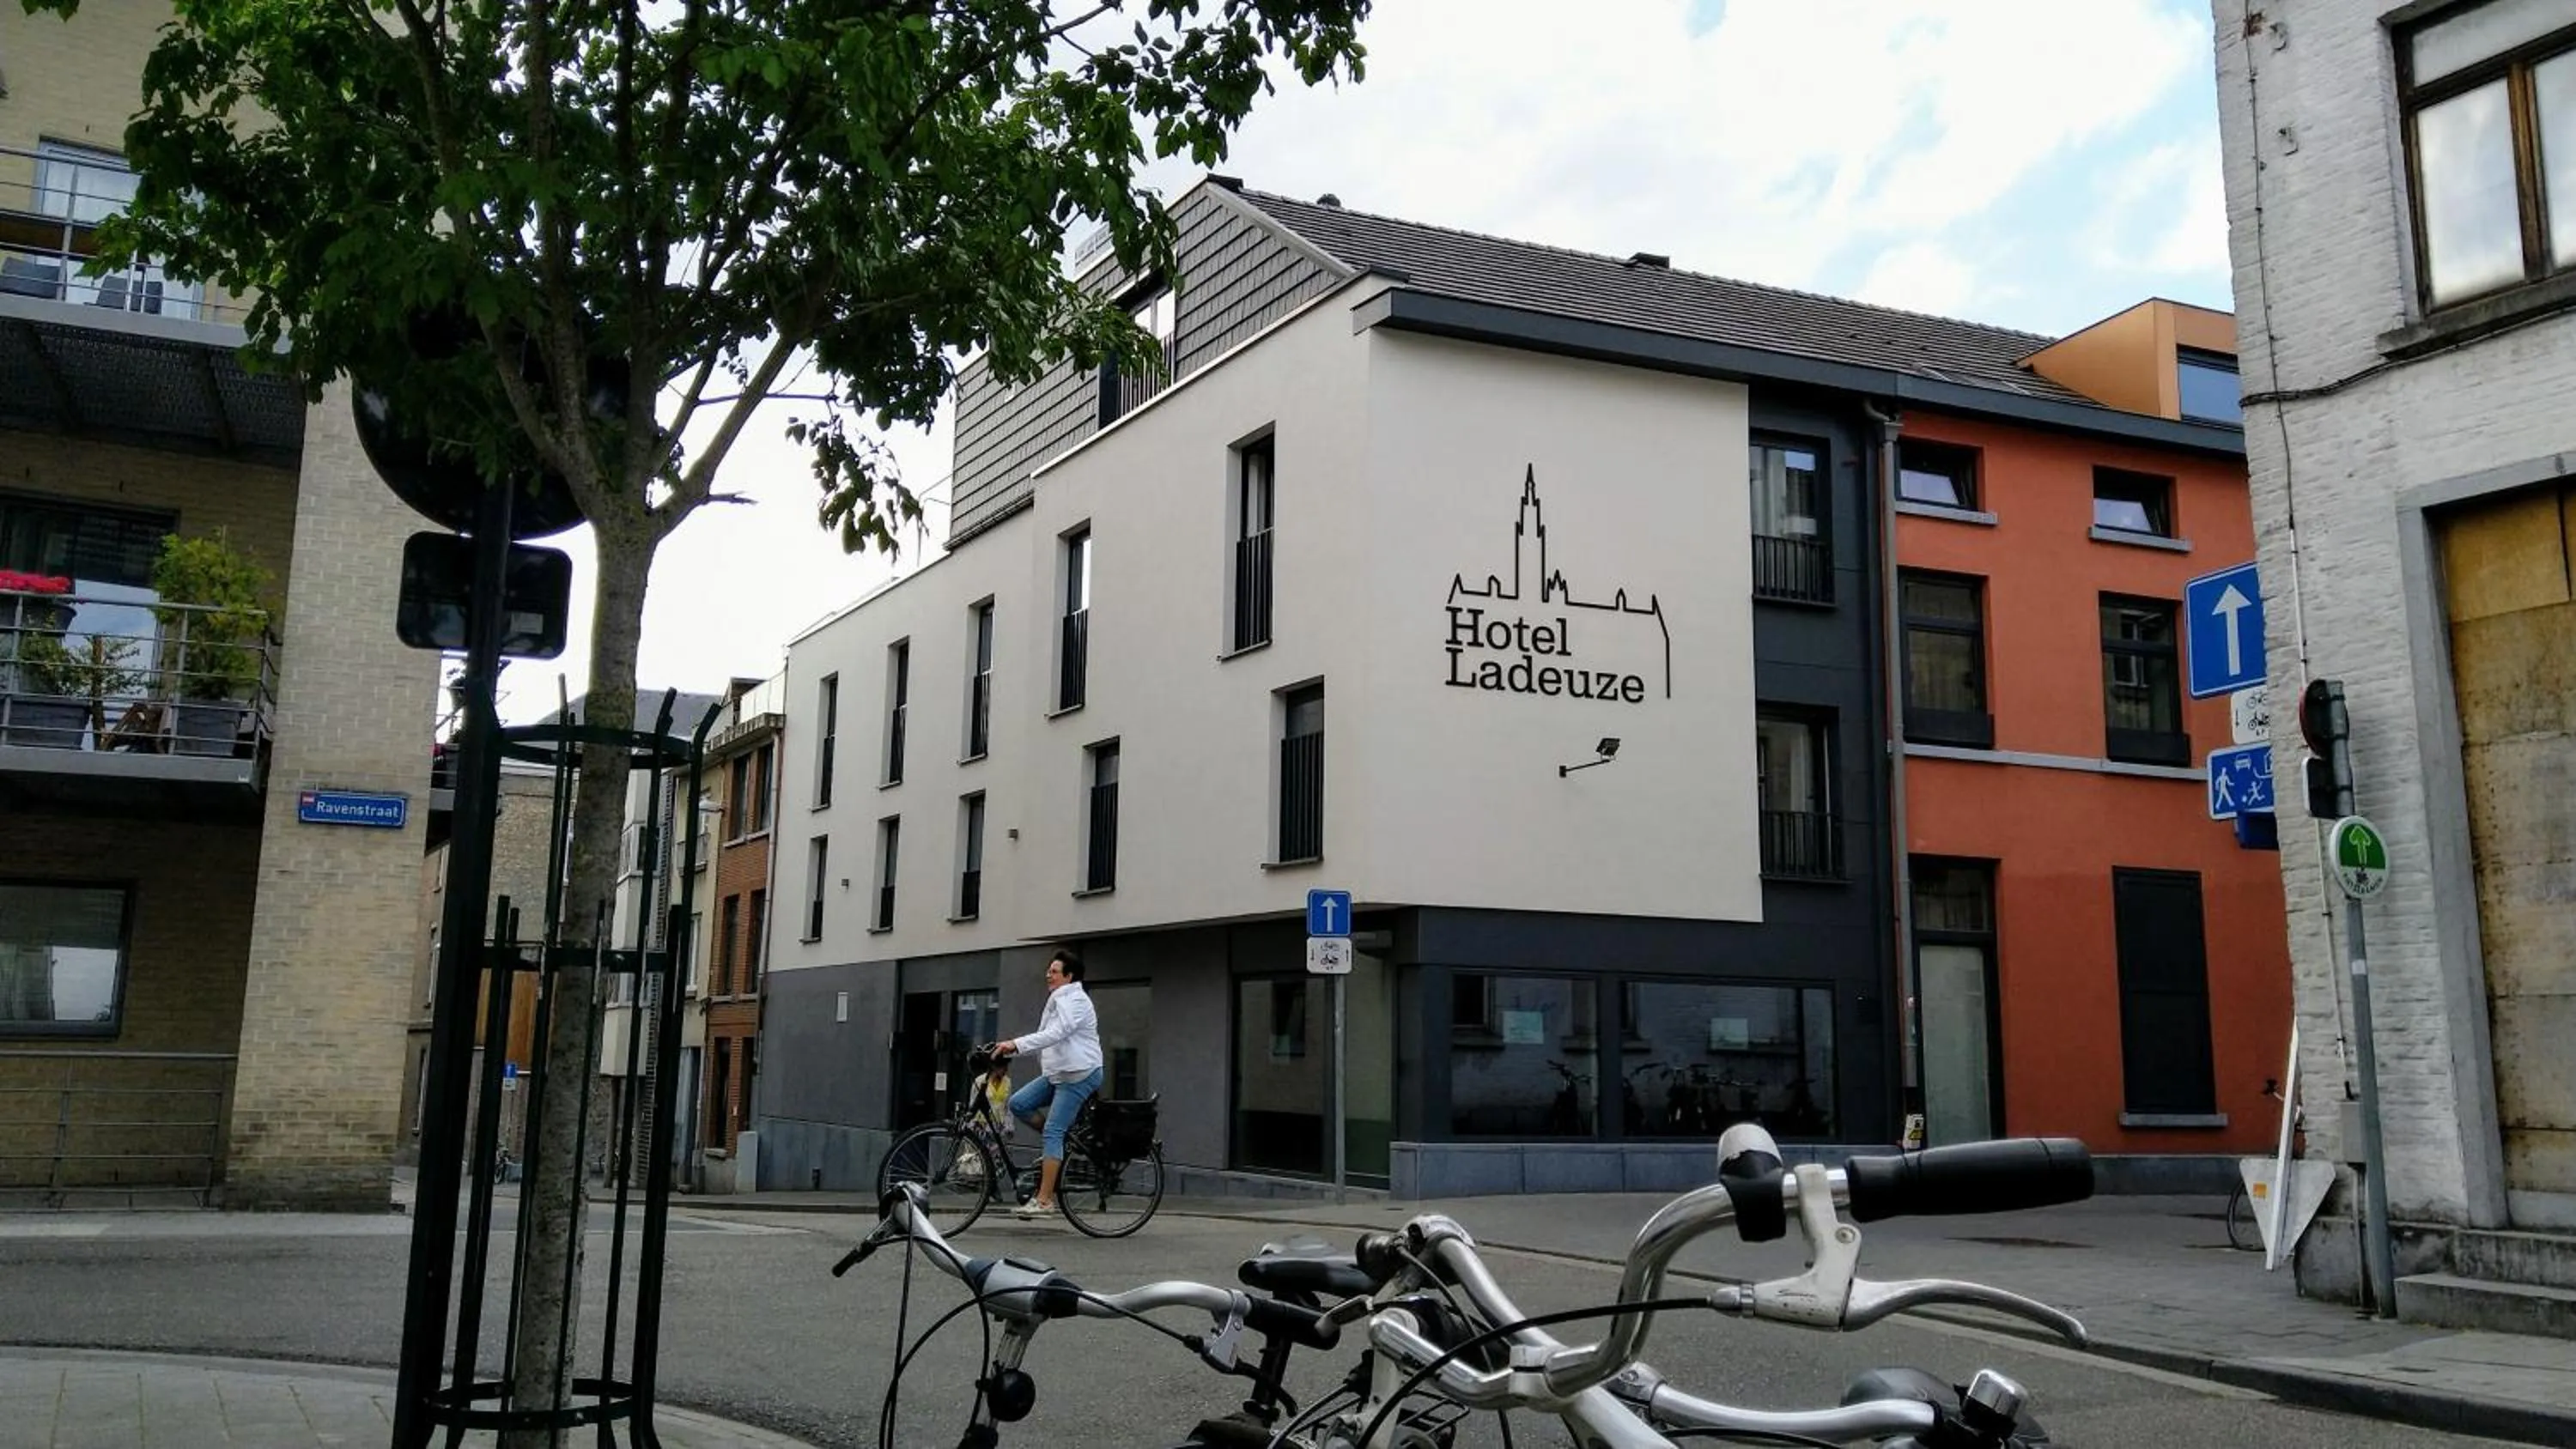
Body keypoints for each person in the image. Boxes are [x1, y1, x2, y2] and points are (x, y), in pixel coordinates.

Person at [992, 949, 1101, 1216]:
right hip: (1058, 1074)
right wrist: (1011, 1049)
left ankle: (1044, 1201)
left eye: (1054, 971)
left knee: (1053, 1131)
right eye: (1048, 970)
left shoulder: (1076, 1000)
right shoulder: (1058, 999)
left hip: (1079, 1074)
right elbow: (1044, 1038)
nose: (1048, 975)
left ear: (1069, 976)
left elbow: (1057, 1033)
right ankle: (1058, 1145)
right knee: (1019, 1103)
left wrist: (1016, 1044)